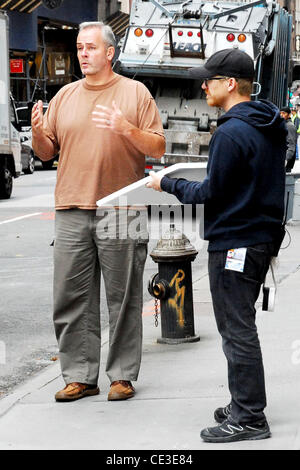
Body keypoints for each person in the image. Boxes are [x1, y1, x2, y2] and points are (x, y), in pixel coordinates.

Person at [146, 48, 286, 443]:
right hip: (260, 238)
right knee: (241, 326)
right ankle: (243, 403)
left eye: (209, 79)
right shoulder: (270, 124)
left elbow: (210, 192)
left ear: (229, 84)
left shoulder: (230, 131)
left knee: (237, 330)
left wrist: (166, 183)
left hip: (235, 243)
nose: (202, 85)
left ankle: (249, 417)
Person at [31, 22, 165, 403]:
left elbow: (157, 146)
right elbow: (46, 153)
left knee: (123, 299)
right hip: (72, 207)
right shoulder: (65, 96)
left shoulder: (135, 93)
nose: (83, 54)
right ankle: (79, 376)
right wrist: (39, 132)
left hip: (123, 206)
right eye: (78, 48)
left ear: (109, 53)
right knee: (71, 297)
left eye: (90, 47)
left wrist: (125, 129)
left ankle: (121, 375)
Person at [280, 106, 297, 173]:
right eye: (280, 113)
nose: (281, 115)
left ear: (289, 114)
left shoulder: (289, 126)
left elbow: (291, 145)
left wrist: (286, 159)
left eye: (284, 113)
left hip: (286, 162)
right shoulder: (283, 124)